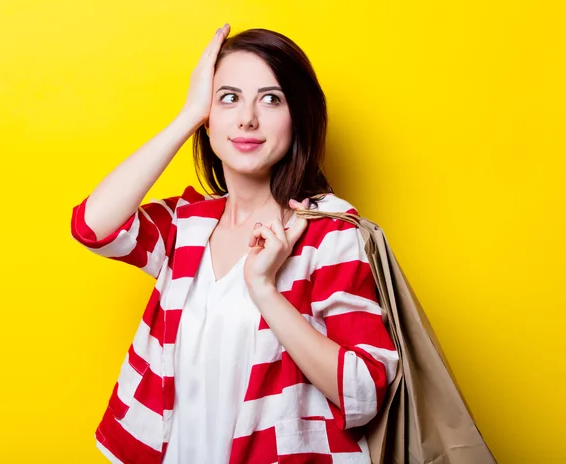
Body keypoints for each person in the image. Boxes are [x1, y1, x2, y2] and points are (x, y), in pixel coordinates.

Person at [70, 23, 399, 464]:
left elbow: (363, 390)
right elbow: (94, 227)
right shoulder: (187, 225)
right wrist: (188, 114)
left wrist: (264, 289)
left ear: (297, 117)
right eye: (228, 98)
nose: (247, 118)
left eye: (271, 98)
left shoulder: (327, 232)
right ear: (210, 119)